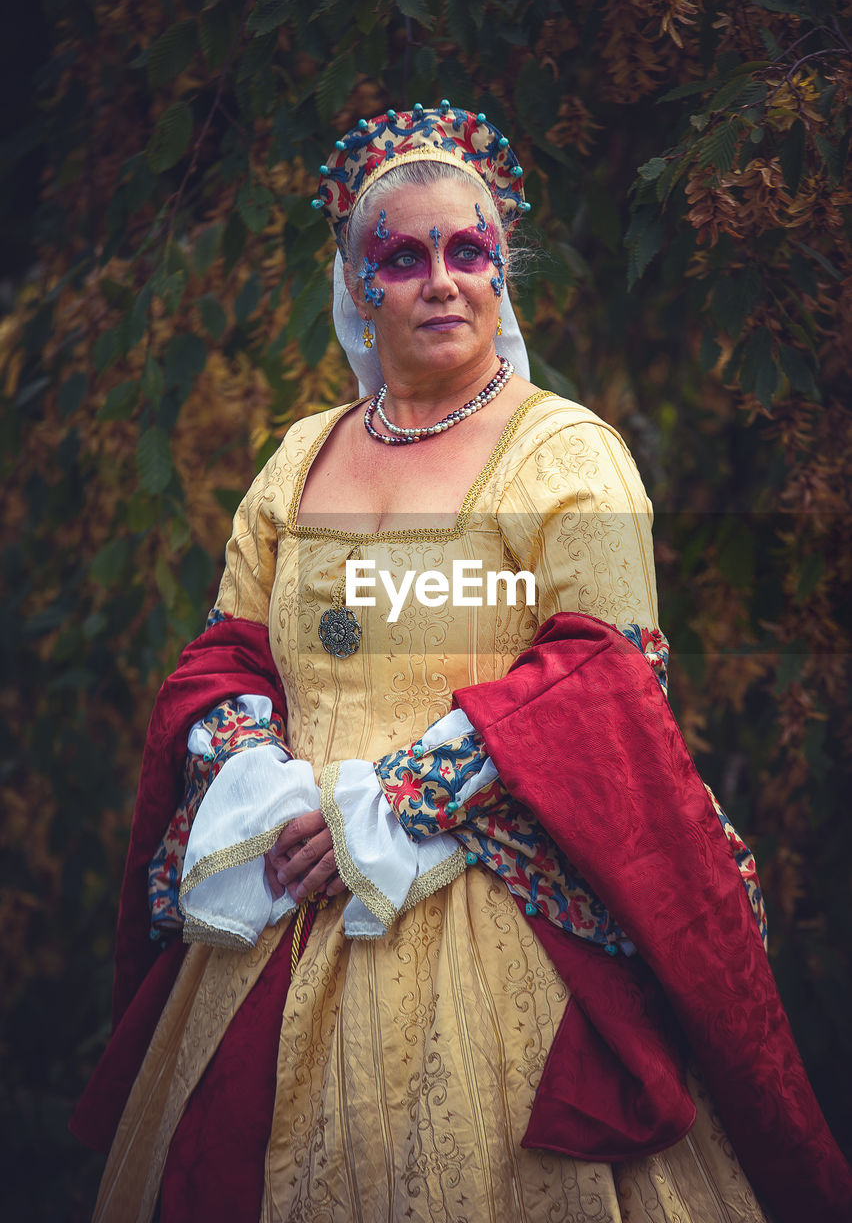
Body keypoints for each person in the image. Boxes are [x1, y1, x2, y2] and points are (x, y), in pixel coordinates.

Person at [73, 104, 852, 1223]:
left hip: (481, 899)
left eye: (468, 250)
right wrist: (271, 786)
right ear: (358, 286)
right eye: (403, 255)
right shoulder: (298, 458)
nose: (442, 279)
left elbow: (603, 676)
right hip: (284, 887)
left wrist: (389, 802)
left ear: (500, 271)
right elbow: (228, 650)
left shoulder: (564, 450)